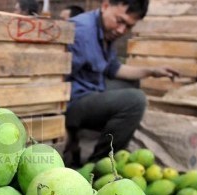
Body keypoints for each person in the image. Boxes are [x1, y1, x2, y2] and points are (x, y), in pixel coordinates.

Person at [63, 0, 179, 167]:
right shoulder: (81, 30)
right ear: (105, 6)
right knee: (134, 101)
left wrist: (153, 71)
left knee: (131, 86)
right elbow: (57, 77)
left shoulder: (105, 32)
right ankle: (99, 165)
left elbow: (114, 69)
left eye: (128, 27)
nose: (121, 30)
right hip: (70, 101)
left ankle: (100, 153)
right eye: (120, 21)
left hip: (89, 90)